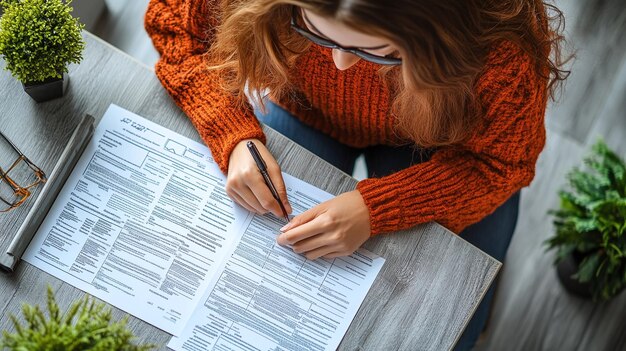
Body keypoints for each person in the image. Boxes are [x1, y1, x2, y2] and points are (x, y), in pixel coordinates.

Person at [145, 0, 568, 349]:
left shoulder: (498, 44)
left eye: (376, 51)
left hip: (445, 145)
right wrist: (231, 131)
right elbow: (172, 26)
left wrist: (377, 208)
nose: (342, 63)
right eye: (314, 31)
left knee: (448, 319)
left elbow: (502, 164)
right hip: (307, 107)